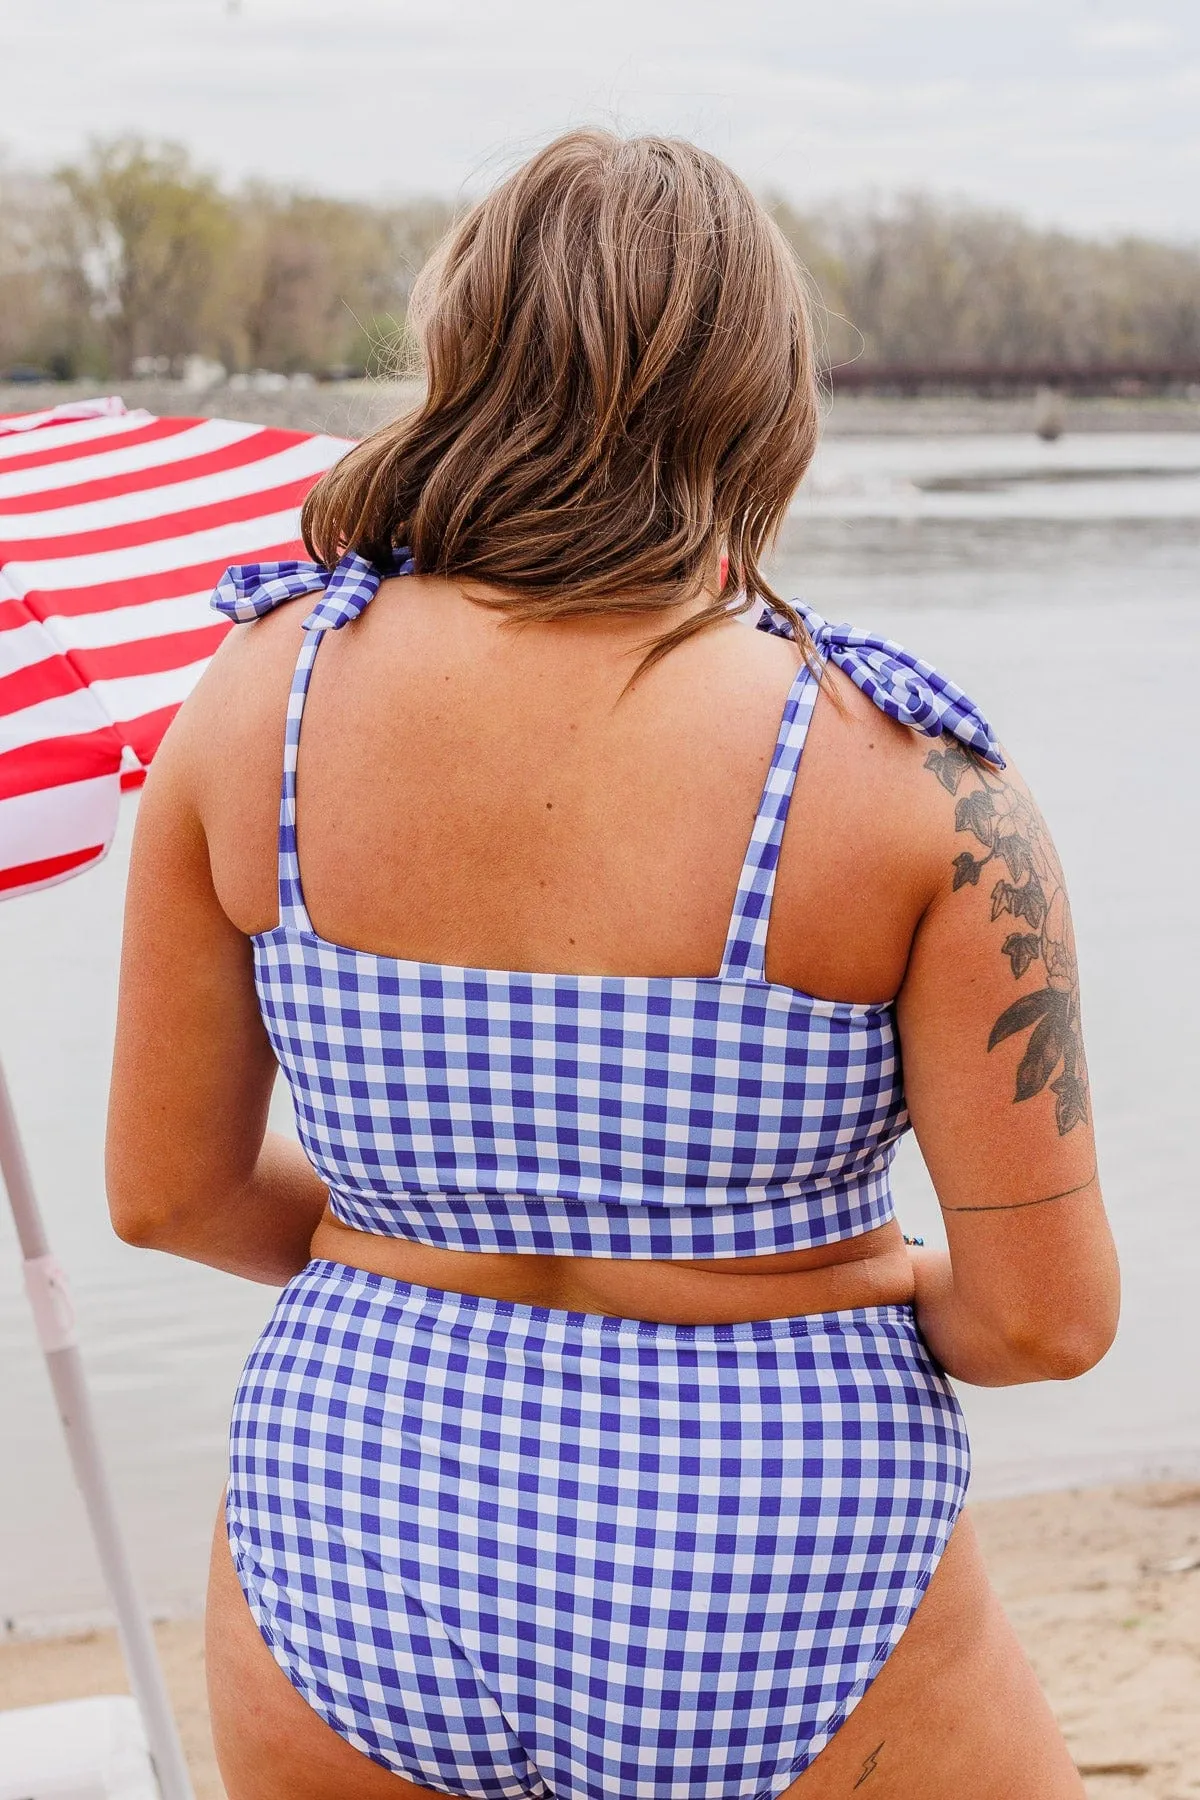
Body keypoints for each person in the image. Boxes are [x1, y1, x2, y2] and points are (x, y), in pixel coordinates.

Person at [106, 131, 1119, 1800]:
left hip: (360, 1500)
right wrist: (789, 1286)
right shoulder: (907, 781)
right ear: (764, 403)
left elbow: (166, 1195)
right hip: (771, 1539)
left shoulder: (257, 698)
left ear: (460, 359)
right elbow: (1045, 1323)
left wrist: (438, 1251)